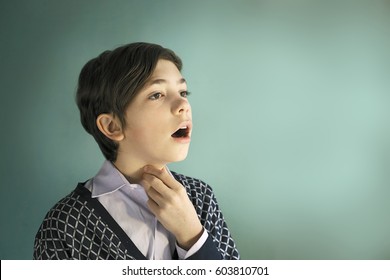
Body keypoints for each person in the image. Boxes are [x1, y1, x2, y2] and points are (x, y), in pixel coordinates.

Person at [33, 42, 240, 260]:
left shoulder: (201, 197)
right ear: (112, 126)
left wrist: (192, 236)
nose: (183, 104)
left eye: (183, 91)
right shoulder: (65, 225)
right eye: (157, 94)